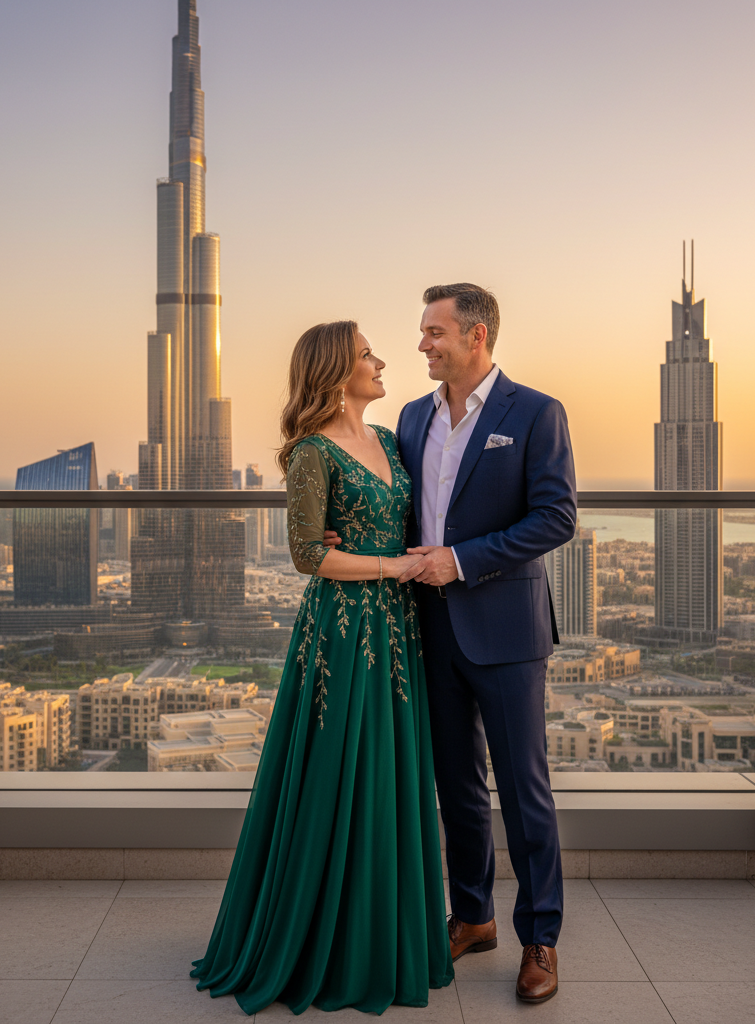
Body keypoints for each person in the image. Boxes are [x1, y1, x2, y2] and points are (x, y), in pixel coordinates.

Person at [191, 320, 454, 1015]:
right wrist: (391, 566)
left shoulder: (392, 442)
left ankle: (380, 935)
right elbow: (308, 555)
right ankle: (320, 943)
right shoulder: (311, 453)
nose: (381, 361)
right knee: (338, 771)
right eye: (368, 353)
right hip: (342, 630)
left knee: (389, 773)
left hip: (397, 630)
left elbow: (416, 515)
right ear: (338, 372)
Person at [395, 283, 577, 1004]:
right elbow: (396, 504)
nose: (422, 344)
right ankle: (472, 916)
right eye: (421, 332)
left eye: (434, 332)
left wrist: (463, 559)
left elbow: (556, 516)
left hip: (505, 629)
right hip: (430, 627)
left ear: (476, 336)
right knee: (458, 788)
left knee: (525, 791)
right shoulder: (411, 418)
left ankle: (541, 938)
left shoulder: (534, 412)